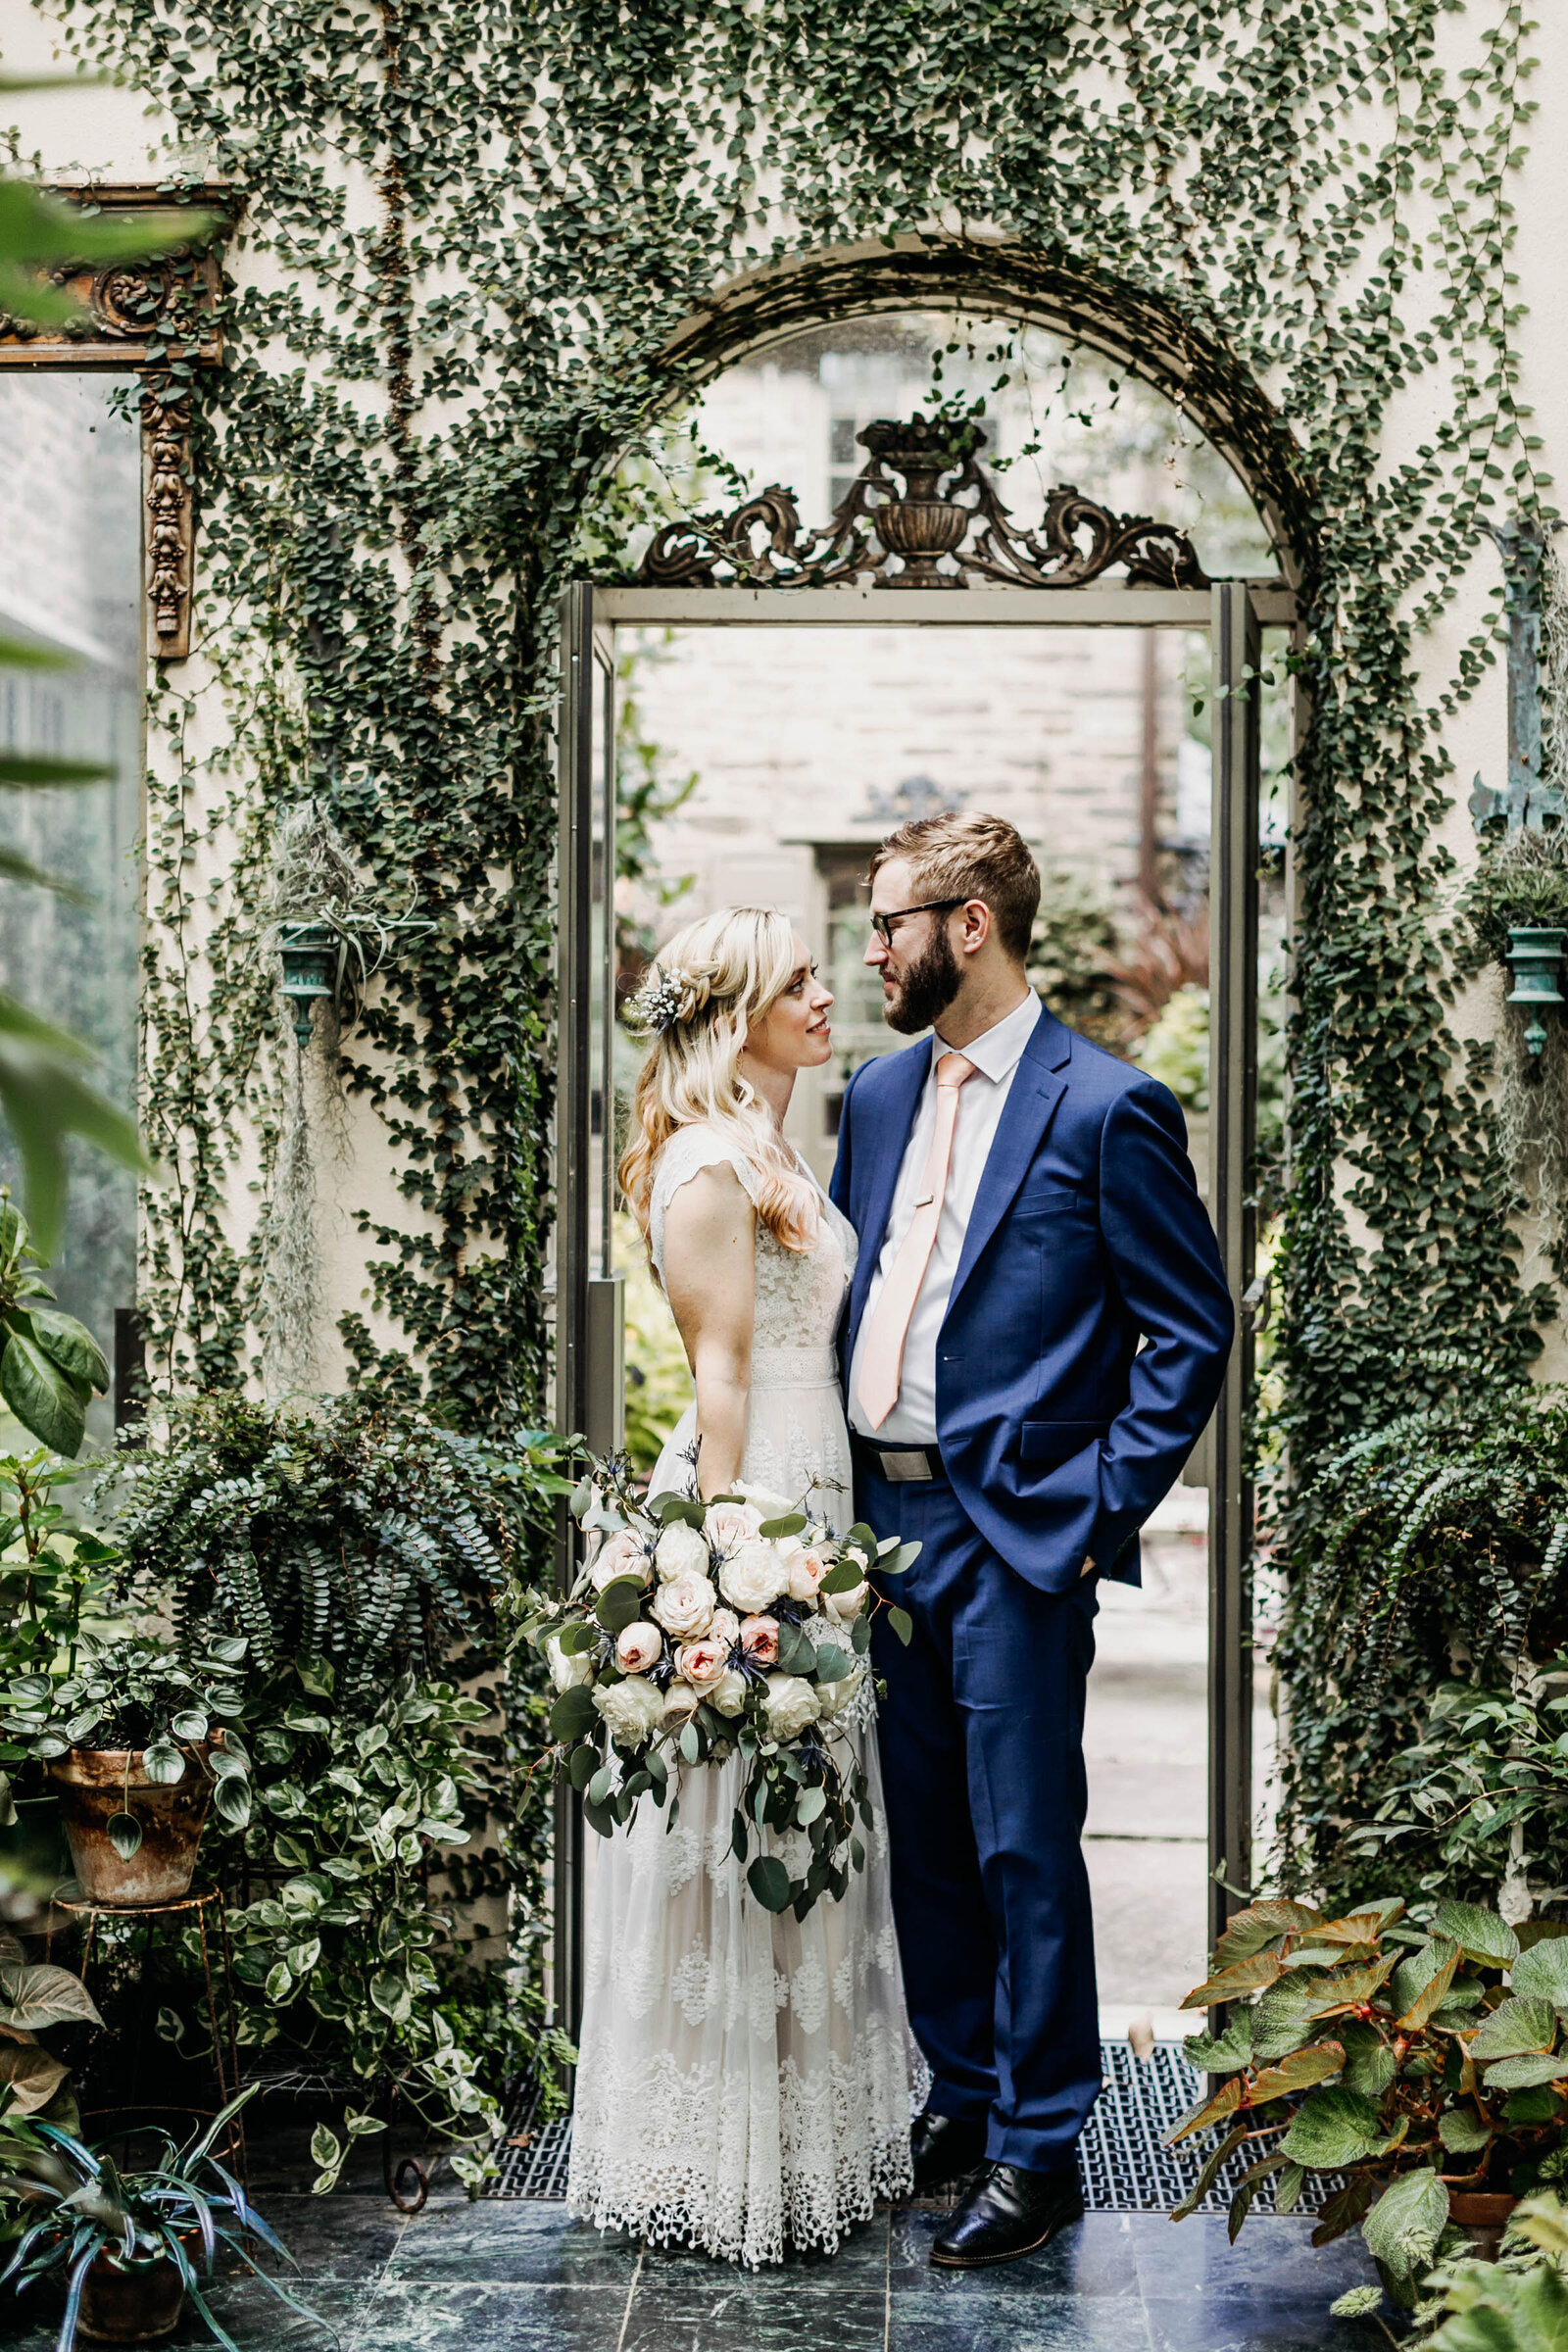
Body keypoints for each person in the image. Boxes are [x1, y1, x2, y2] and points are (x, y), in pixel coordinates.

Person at [831, 810, 1234, 2269]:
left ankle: (1041, 2145)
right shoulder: (873, 1098)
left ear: (971, 926)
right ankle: (965, 2092)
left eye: (890, 924)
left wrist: (1090, 1513)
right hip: (879, 1527)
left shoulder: (1105, 1104)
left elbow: (1190, 1333)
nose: (872, 948)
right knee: (921, 1844)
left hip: (1016, 1537)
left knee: (1020, 1846)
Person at [566, 905, 926, 2270]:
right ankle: (711, 2154)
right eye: (797, 983)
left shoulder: (775, 1140)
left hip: (822, 1475)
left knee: (811, 1797)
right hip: (762, 1484)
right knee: (738, 1814)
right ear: (735, 1017)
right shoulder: (711, 1163)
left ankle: (805, 2127)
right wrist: (720, 1566)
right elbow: (719, 1367)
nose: (827, 997)